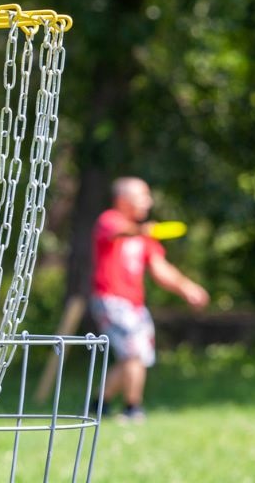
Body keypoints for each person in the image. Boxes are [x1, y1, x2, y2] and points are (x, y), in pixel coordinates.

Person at [90, 177, 209, 421]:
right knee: (135, 354)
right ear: (123, 200)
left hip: (135, 304)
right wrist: (141, 231)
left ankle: (97, 406)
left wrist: (187, 288)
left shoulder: (145, 237)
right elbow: (116, 232)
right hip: (111, 299)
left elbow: (160, 269)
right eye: (143, 196)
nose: (149, 202)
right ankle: (133, 410)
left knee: (135, 356)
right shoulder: (109, 220)